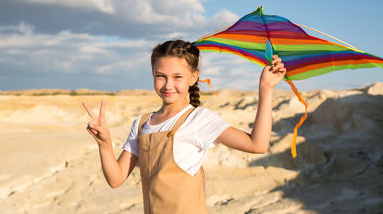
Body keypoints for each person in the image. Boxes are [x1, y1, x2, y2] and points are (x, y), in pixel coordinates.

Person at [82, 39, 286, 213]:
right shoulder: (142, 124)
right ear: (153, 74)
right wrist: (104, 144)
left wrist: (266, 88)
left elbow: (257, 144)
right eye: (160, 76)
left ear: (193, 77)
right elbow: (115, 179)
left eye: (177, 77)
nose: (168, 85)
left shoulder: (199, 119)